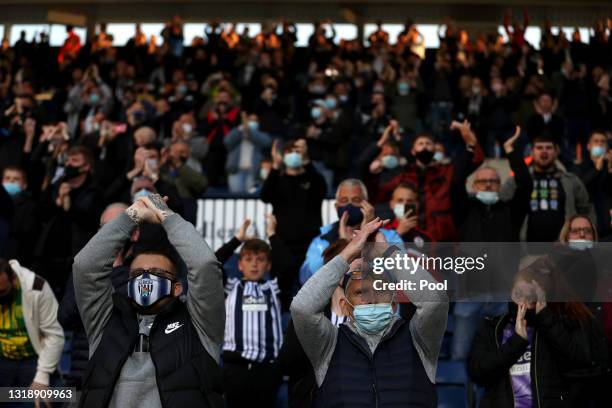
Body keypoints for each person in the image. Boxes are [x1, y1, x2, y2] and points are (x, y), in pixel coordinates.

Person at [73, 194, 224, 408]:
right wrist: (131, 215)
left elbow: (205, 265)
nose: (146, 278)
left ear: (177, 287)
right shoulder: (104, 320)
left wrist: (166, 216)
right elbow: (85, 266)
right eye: (137, 273)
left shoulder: (200, 323)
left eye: (155, 272)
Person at [291, 218, 448, 407]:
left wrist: (387, 251)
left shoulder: (419, 339)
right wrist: (349, 252)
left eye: (380, 289)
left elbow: (435, 302)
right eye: (359, 292)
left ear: (393, 304)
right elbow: (302, 308)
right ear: (345, 306)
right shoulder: (328, 344)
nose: (370, 298)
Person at [468, 256, 609, 408]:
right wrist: (516, 343)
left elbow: (578, 362)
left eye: (531, 298)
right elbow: (478, 373)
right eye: (518, 295)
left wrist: (546, 318)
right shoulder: (492, 327)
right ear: (510, 292)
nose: (522, 303)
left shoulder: (555, 325)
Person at [377, 120, 484, 241]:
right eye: (420, 144)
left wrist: (470, 141)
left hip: (442, 240)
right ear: (413, 151)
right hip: (411, 239)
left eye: (428, 144)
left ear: (434, 150)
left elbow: (475, 160)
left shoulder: (447, 172)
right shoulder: (403, 175)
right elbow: (379, 194)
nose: (425, 146)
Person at [299, 178, 401, 284]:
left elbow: (400, 273)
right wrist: (343, 246)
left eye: (356, 200)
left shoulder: (389, 236)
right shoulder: (322, 239)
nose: (349, 205)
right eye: (344, 200)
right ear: (336, 206)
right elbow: (306, 277)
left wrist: (370, 237)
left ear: (367, 205)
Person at [222, 237, 284, 408]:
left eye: (260, 259)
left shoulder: (274, 288)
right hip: (236, 369)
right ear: (239, 265)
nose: (254, 264)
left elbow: (288, 264)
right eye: (248, 259)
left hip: (267, 370)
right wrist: (236, 240)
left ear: (268, 265)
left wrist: (273, 235)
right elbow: (213, 263)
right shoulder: (230, 286)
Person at [35, 145, 104, 297]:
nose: (68, 164)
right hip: (47, 253)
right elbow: (40, 213)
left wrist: (70, 206)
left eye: (74, 161)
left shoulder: (94, 192)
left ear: (86, 166)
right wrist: (58, 201)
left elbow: (92, 222)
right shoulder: (57, 185)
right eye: (67, 161)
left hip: (74, 257)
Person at [261, 139, 327, 291]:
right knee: (281, 293)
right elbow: (265, 196)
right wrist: (275, 167)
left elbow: (321, 189)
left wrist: (307, 161)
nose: (294, 155)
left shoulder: (312, 178)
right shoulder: (277, 179)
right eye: (290, 151)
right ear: (283, 156)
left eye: (297, 151)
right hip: (282, 244)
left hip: (309, 245)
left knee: (312, 292)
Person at [501, 134, 593, 241]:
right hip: (527, 251)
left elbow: (586, 210)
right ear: (532, 152)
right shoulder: (518, 180)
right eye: (539, 148)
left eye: (548, 148)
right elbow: (501, 201)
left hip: (564, 250)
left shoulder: (571, 180)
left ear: (556, 152)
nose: (544, 151)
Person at [0, 258, 64, 406]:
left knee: (41, 401)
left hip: (33, 359)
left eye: (2, 291)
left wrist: (42, 377)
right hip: (2, 359)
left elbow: (54, 335)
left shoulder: (36, 287)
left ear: (14, 280)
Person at [572, 130, 612, 236]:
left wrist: (609, 171)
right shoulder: (578, 167)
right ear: (589, 146)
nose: (599, 144)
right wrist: (597, 169)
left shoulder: (609, 167)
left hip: (607, 223)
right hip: (587, 223)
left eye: (603, 142)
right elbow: (580, 188)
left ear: (607, 147)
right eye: (596, 141)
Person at [224, 113, 272, 193]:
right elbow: (227, 141)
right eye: (251, 120)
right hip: (236, 171)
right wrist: (240, 129)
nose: (253, 122)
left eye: (255, 120)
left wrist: (250, 133)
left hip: (253, 172)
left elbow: (267, 142)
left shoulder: (260, 134)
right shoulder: (237, 131)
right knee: (236, 198)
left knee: (251, 197)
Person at [2, 166, 39, 267]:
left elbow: (25, 232)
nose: (11, 182)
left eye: (16, 179)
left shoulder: (30, 205)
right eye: (7, 178)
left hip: (14, 258)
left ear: (24, 185)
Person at [379, 182, 434, 247]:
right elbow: (379, 255)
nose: (405, 204)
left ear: (417, 205)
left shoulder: (428, 238)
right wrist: (398, 233)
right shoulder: (381, 233)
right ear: (391, 204)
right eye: (400, 200)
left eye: (409, 201)